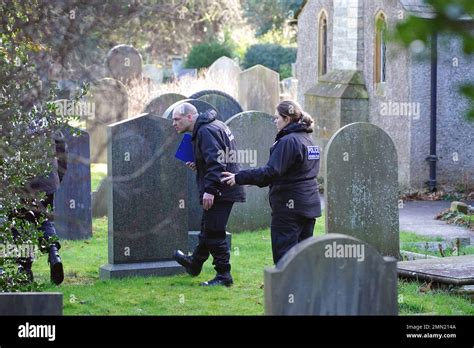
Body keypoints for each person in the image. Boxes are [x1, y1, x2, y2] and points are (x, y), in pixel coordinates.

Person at [221, 100, 321, 264]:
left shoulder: (288, 141)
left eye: (277, 118)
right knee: (303, 256)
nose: (275, 121)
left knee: (285, 257)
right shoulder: (308, 140)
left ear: (287, 119)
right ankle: (302, 289)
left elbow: (270, 172)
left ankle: (284, 289)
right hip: (309, 204)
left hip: (289, 208)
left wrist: (239, 177)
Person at [171, 103, 246, 287]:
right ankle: (194, 264)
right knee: (207, 228)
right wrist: (199, 164)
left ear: (190, 117)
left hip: (222, 189)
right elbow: (217, 158)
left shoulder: (206, 130)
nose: (174, 124)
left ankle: (224, 276)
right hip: (224, 186)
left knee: (214, 232)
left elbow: (216, 163)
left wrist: (210, 190)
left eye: (177, 119)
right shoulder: (212, 126)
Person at [8, 128, 67, 285]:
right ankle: (54, 254)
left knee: (19, 224)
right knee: (43, 218)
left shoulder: (12, 110)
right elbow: (61, 150)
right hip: (47, 181)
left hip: (20, 181)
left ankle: (25, 269)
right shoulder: (45, 115)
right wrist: (56, 178)